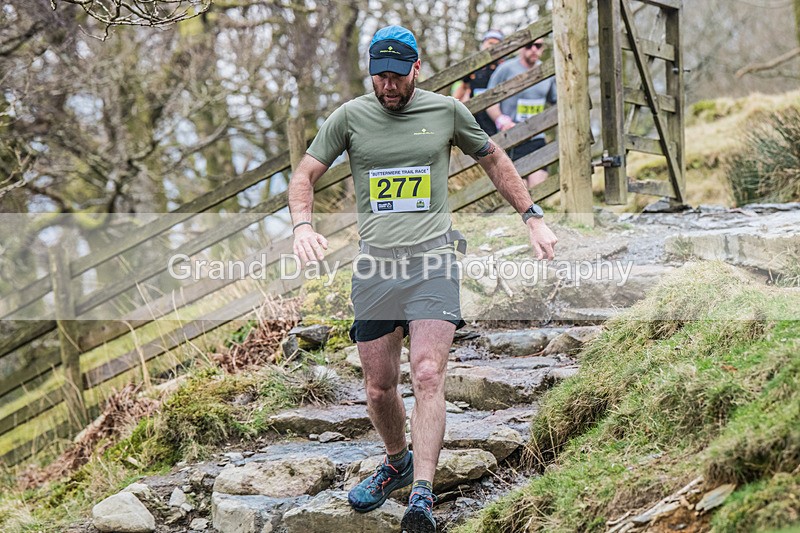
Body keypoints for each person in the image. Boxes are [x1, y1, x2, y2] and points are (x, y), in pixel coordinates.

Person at [288, 25, 557, 533]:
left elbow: (494, 159)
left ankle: (423, 496)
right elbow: (304, 175)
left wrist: (532, 217)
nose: (387, 87)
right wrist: (303, 225)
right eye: (378, 77)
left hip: (433, 259)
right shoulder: (350, 117)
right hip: (376, 266)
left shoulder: (447, 111)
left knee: (429, 372)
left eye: (396, 76)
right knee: (377, 387)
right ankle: (396, 461)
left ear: (416, 69)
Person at [486, 38, 556, 188]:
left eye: (538, 46)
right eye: (529, 45)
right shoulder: (506, 69)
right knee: (519, 189)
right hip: (511, 137)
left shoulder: (546, 71)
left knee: (539, 187)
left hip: (537, 136)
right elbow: (488, 101)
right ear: (521, 48)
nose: (534, 50)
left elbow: (557, 101)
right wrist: (500, 119)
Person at [453, 29, 505, 136]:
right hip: (476, 117)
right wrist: (453, 108)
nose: (492, 47)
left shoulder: (503, 68)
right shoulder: (474, 66)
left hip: (497, 116)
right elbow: (463, 87)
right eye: (490, 43)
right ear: (483, 44)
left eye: (497, 44)